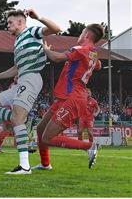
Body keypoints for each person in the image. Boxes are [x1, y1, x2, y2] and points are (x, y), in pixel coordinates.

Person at [0, 9, 61, 174]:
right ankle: (19, 122)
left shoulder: (32, 32)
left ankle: (25, 166)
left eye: (10, 22)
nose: (7, 25)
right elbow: (16, 69)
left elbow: (56, 29)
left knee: (18, 119)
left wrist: (38, 17)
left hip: (32, 78)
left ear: (20, 22)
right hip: (21, 80)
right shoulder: (17, 43)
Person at [34, 24, 104, 170]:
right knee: (40, 129)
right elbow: (98, 65)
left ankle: (89, 146)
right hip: (66, 97)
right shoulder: (93, 53)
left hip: (73, 98)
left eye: (82, 33)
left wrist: (46, 49)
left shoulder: (79, 50)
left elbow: (56, 58)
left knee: (48, 137)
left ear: (86, 35)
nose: (79, 36)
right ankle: (45, 164)